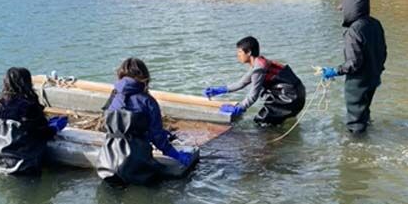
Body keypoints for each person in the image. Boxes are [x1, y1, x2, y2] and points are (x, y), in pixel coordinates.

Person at [97, 57, 197, 185]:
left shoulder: (114, 96)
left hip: (107, 164)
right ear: (144, 78)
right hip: (137, 166)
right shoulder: (148, 101)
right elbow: (158, 138)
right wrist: (177, 155)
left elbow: (115, 128)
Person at [318, 0, 387, 134]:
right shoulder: (376, 24)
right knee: (364, 112)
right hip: (374, 78)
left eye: (344, 9)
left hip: (358, 83)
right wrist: (378, 70)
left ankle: (357, 145)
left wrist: (335, 71)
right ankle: (368, 136)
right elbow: (383, 52)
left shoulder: (354, 31)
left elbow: (354, 63)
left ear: (351, 8)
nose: (342, 12)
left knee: (355, 121)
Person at [203, 36, 306, 126]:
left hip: (289, 97)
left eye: (240, 52)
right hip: (296, 93)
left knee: (261, 122)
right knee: (272, 122)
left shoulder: (259, 69)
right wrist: (220, 90)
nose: (238, 55)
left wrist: (240, 108)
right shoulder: (259, 63)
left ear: (249, 52)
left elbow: (253, 95)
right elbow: (241, 83)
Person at [0, 66, 67, 175]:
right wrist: (55, 127)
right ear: (27, 82)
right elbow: (42, 133)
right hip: (23, 164)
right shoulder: (29, 106)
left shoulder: (0, 104)